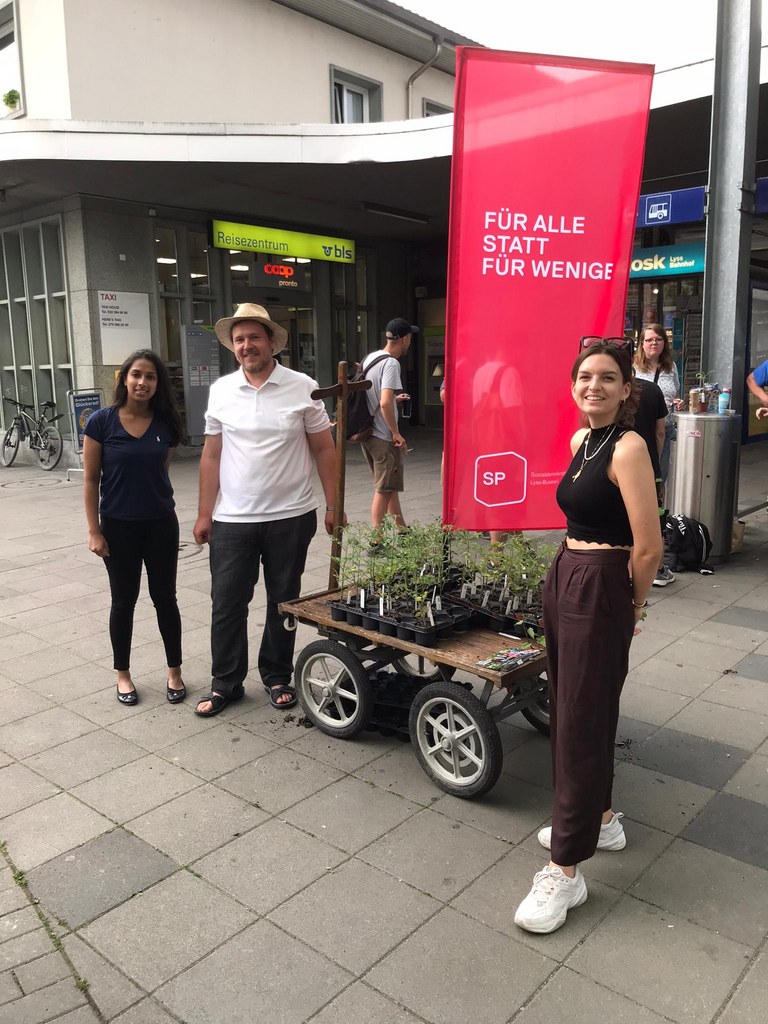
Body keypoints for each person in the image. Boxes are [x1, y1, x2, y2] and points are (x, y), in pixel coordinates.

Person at [514, 338, 662, 935]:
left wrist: (630, 608)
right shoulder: (582, 441)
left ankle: (564, 872)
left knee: (577, 717)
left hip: (601, 583)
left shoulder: (628, 447)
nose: (593, 386)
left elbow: (648, 546)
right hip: (567, 575)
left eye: (607, 378)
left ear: (628, 390)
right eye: (584, 377)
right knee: (581, 707)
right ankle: (599, 818)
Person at [193, 303, 338, 717]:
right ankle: (226, 681)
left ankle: (277, 675)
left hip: (290, 516)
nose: (246, 345)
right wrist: (205, 513)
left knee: (283, 600)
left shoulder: (302, 386)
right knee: (226, 604)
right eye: (239, 339)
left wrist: (333, 504)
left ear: (271, 341)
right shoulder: (221, 390)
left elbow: (323, 448)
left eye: (254, 337)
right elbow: (211, 456)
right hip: (233, 519)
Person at [83, 350, 185, 706]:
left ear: (158, 384)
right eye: (137, 375)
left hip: (160, 525)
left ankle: (175, 671)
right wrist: (94, 531)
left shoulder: (166, 423)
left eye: (151, 377)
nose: (143, 382)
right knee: (123, 601)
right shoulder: (101, 422)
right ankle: (122, 674)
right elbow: (91, 479)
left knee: (165, 599)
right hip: (118, 527)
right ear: (124, 378)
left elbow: (162, 471)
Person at [360, 317, 415, 533]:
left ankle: (401, 529)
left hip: (368, 434)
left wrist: (395, 399)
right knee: (383, 489)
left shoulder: (370, 358)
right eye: (409, 339)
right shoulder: (391, 363)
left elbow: (376, 396)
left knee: (388, 484)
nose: (409, 343)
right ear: (403, 339)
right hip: (383, 435)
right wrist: (396, 433)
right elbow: (383, 402)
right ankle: (376, 539)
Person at [632, 377, 673, 586]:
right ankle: (657, 570)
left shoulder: (606, 388)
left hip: (610, 463)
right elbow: (660, 432)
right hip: (647, 463)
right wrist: (655, 461)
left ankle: (625, 571)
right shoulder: (651, 389)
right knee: (653, 516)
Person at [634, 325, 683, 485]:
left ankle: (657, 509)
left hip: (666, 430)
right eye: (649, 340)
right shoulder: (632, 367)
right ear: (642, 344)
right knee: (639, 478)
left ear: (664, 343)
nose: (654, 343)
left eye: (658, 339)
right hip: (642, 431)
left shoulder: (671, 367)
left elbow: (675, 394)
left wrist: (679, 403)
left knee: (659, 478)